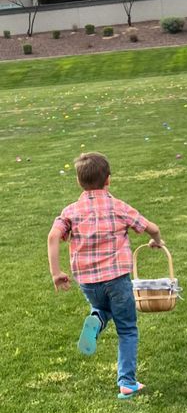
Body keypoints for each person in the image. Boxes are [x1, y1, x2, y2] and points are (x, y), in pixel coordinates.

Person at [47, 152, 162, 399]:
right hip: (118, 280)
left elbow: (53, 236)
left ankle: (97, 320)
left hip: (88, 282)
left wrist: (56, 273)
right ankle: (127, 382)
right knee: (127, 329)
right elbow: (152, 227)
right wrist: (156, 240)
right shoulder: (118, 207)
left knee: (101, 308)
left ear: (79, 182)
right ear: (108, 180)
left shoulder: (71, 211)